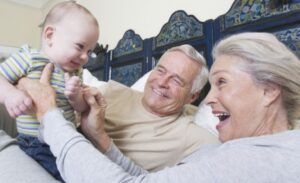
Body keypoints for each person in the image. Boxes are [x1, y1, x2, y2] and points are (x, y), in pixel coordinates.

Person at [18, 32, 300, 182]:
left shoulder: (259, 160)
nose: (210, 100)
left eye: (222, 82)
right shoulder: (238, 149)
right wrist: (98, 136)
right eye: (160, 71)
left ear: (269, 91)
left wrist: (48, 112)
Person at [78, 44, 219, 171]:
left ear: (192, 97)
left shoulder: (196, 138)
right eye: (161, 71)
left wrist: (98, 136)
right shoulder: (110, 91)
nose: (162, 82)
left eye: (176, 80)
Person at [0, 1, 99, 180]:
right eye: (80, 46)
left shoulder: (76, 72)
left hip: (67, 138)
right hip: (36, 142)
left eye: (89, 51)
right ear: (50, 35)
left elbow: (81, 109)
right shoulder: (29, 58)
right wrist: (9, 94)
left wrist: (76, 97)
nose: (85, 57)